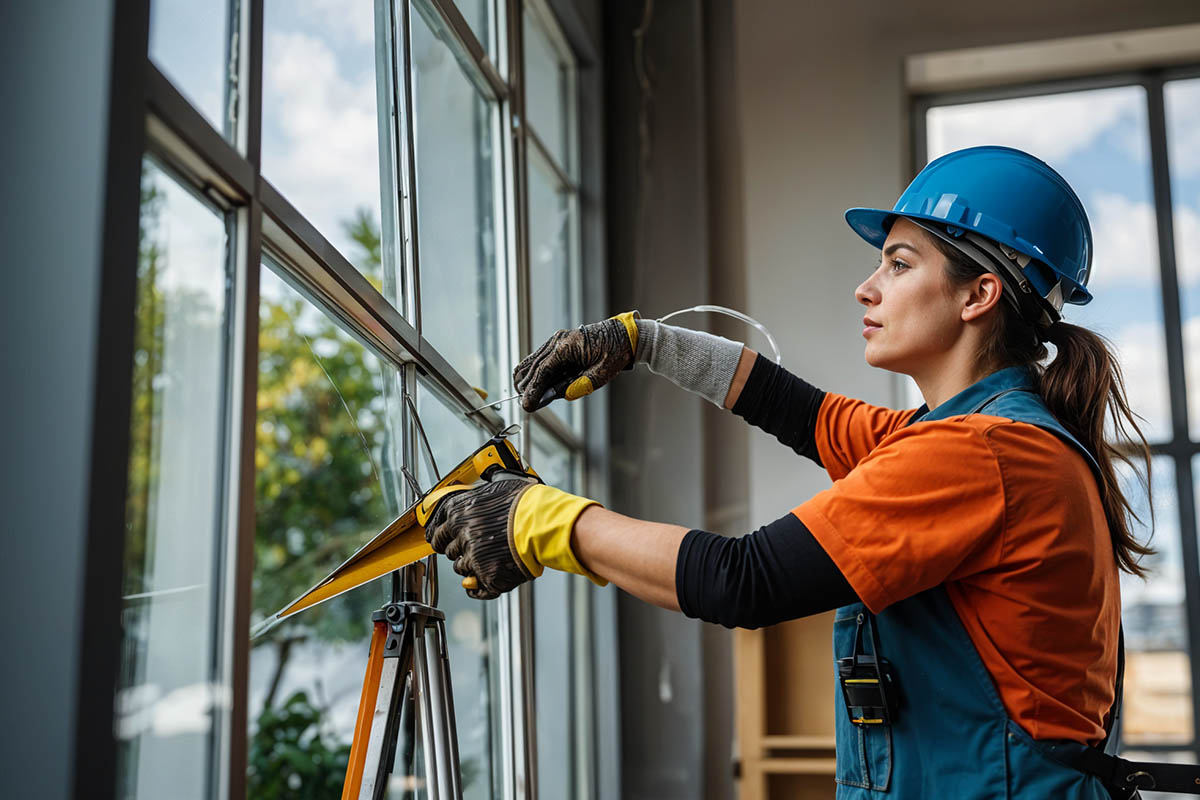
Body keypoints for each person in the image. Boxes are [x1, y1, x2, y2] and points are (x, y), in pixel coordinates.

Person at [423, 146, 1158, 798]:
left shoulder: (981, 457)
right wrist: (641, 342)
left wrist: (543, 520)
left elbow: (741, 580)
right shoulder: (968, 438)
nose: (866, 288)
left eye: (898, 265)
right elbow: (796, 408)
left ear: (979, 294)